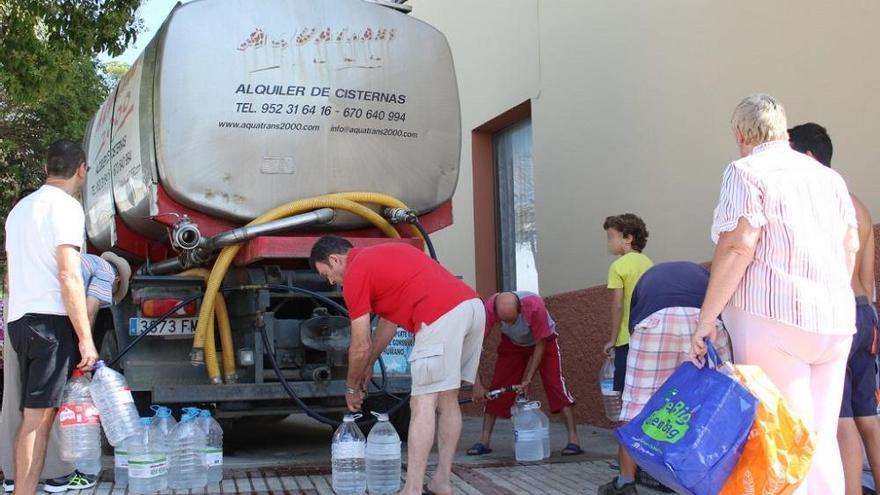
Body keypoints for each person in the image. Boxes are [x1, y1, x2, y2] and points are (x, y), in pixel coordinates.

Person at [692, 94, 858, 494]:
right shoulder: (828, 177)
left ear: (739, 133)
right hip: (834, 319)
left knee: (783, 437)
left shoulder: (745, 171)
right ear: (783, 130)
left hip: (773, 318)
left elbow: (738, 244)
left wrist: (706, 319)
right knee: (819, 440)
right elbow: (849, 244)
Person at [309, 235, 484, 495]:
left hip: (438, 314)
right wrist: (369, 364)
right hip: (472, 308)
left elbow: (359, 344)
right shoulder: (386, 254)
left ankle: (412, 489)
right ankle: (441, 481)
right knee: (447, 399)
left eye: (327, 274)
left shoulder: (356, 273)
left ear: (335, 259)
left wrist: (351, 387)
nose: (331, 281)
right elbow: (388, 323)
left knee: (422, 402)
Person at [789, 122, 880, 495]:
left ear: (809, 157)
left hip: (838, 316)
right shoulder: (856, 202)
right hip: (866, 313)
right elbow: (868, 275)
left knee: (840, 422)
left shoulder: (820, 201)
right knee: (870, 421)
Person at [3, 141, 99, 495]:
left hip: (19, 320)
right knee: (37, 421)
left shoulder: (20, 210)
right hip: (49, 325)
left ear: (48, 168)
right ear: (81, 169)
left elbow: (11, 277)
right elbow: (69, 276)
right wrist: (86, 338)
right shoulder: (67, 208)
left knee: (33, 416)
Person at [599, 261, 733, 495]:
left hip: (655, 322)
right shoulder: (703, 275)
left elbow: (634, 325)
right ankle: (714, 480)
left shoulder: (647, 282)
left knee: (636, 408)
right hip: (706, 321)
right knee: (717, 405)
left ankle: (625, 482)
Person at [467, 291, 580, 456]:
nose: (509, 324)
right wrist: (477, 385)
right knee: (498, 386)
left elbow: (540, 344)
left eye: (512, 320)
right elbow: (475, 347)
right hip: (512, 343)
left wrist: (528, 379)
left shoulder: (535, 306)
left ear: (521, 310)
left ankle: (573, 439)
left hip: (543, 341)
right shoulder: (489, 309)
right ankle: (484, 441)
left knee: (555, 385)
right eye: (504, 321)